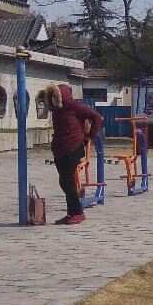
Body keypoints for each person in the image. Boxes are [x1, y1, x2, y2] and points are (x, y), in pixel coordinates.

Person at [48, 83, 103, 225]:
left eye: (55, 96)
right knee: (64, 182)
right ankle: (71, 213)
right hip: (60, 150)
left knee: (68, 181)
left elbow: (97, 117)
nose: (53, 99)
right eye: (51, 97)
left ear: (61, 96)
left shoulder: (75, 106)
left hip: (73, 147)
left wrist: (89, 136)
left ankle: (78, 213)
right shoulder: (56, 111)